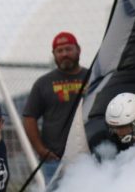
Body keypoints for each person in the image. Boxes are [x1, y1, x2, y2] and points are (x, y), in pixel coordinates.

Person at [21, 31, 87, 183]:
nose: (64, 54)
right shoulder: (43, 83)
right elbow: (29, 117)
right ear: (54, 54)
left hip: (87, 157)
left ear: (78, 50)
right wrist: (40, 150)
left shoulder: (93, 77)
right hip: (54, 160)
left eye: (68, 49)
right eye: (60, 51)